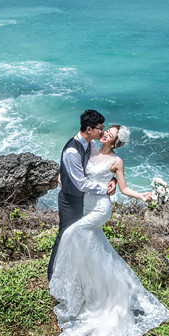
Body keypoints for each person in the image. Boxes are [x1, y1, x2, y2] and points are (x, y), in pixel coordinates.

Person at [48, 124, 169, 336]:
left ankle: (98, 296)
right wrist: (62, 174)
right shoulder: (92, 148)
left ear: (116, 142)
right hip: (85, 205)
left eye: (111, 135)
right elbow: (76, 167)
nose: (105, 134)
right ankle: (88, 286)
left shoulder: (117, 161)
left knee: (75, 233)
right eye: (106, 131)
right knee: (94, 248)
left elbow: (124, 188)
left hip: (100, 209)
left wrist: (142, 196)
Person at [47, 109, 117, 281]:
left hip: (85, 200)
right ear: (89, 129)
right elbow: (81, 183)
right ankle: (53, 276)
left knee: (83, 237)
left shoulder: (90, 144)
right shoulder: (72, 150)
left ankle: (77, 273)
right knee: (65, 236)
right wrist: (104, 189)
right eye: (100, 128)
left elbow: (98, 164)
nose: (103, 131)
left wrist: (113, 178)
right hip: (70, 200)